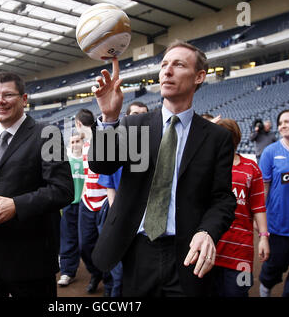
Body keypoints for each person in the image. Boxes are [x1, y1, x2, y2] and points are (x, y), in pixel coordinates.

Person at [89, 40, 236, 297]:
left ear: (199, 76)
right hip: (137, 249)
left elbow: (222, 198)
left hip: (187, 252)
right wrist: (110, 119)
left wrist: (207, 231)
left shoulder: (216, 138)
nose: (167, 71)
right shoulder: (135, 125)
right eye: (164, 65)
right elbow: (102, 164)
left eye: (178, 65)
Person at [0, 72, 74, 297]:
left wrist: (16, 205)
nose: (0, 101)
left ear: (24, 99)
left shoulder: (47, 134)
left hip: (31, 259)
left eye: (8, 94)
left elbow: (63, 190)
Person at [97, 101, 149, 297]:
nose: (139, 118)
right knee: (116, 272)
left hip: (143, 221)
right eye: (135, 114)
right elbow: (109, 184)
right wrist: (117, 214)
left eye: (143, 114)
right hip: (117, 215)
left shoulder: (154, 146)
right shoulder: (117, 145)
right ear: (126, 117)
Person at [213, 118, 270, 297]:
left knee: (239, 292)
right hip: (211, 248)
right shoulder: (207, 166)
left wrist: (263, 237)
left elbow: (258, 206)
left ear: (235, 138)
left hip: (241, 251)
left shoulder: (251, 168)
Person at [258, 109, 289, 297]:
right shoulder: (270, 152)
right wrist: (259, 218)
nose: (283, 125)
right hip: (277, 225)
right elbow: (263, 189)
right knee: (273, 268)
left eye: (287, 121)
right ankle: (265, 288)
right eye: (280, 123)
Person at [75, 108, 110, 295]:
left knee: (106, 246)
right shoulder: (85, 145)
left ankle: (110, 283)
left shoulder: (102, 141)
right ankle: (96, 273)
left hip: (105, 202)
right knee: (84, 246)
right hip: (87, 203)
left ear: (78, 124)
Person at [57, 132, 85, 287]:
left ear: (83, 142)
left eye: (78, 141)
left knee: (87, 240)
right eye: (72, 141)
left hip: (86, 204)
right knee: (68, 238)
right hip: (69, 204)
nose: (75, 144)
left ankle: (97, 271)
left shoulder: (89, 160)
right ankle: (67, 271)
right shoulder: (66, 161)